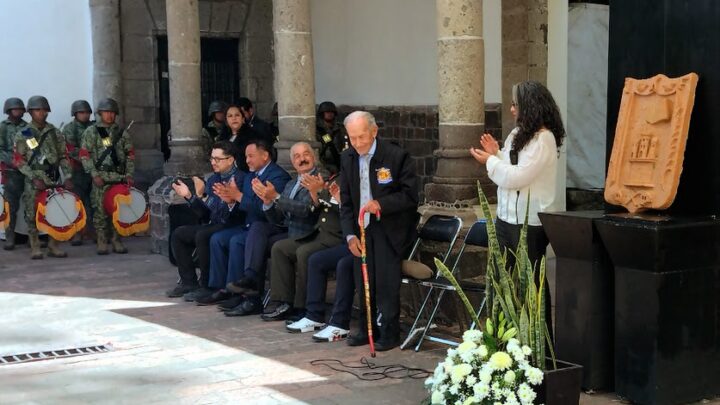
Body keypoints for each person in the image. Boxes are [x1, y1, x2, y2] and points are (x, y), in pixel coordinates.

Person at [469, 80, 566, 334]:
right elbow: (510, 168)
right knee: (503, 284)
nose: (512, 110)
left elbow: (517, 177)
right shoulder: (517, 134)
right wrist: (497, 154)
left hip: (529, 224)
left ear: (530, 106)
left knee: (530, 288)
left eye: (516, 105)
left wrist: (490, 161)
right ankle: (505, 343)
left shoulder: (544, 139)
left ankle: (538, 348)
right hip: (505, 220)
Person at [339, 111, 419, 351]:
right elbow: (346, 201)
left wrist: (381, 204)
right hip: (361, 228)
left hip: (389, 228)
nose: (357, 143)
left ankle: (389, 331)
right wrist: (349, 235)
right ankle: (366, 329)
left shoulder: (396, 156)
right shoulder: (348, 157)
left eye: (362, 137)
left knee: (385, 282)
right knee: (363, 279)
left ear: (374, 132)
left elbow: (410, 196)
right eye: (352, 138)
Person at [200, 139, 290, 308]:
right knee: (218, 238)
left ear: (265, 156)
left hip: (269, 226)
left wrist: (238, 197)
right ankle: (221, 288)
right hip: (250, 224)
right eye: (246, 156)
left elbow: (265, 210)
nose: (247, 160)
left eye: (251, 156)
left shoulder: (278, 176)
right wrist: (230, 201)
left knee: (237, 241)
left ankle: (238, 293)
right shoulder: (250, 176)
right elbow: (244, 208)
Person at [252, 142, 325, 321]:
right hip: (294, 234)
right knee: (277, 247)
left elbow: (306, 210)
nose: (302, 159)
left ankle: (303, 308)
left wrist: (276, 197)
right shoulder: (291, 183)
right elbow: (278, 219)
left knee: (292, 250)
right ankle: (283, 302)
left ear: (313, 157)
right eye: (297, 156)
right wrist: (268, 202)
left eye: (306, 154)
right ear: (292, 162)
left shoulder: (321, 179)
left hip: (313, 234)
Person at [165, 141, 245, 298]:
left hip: (233, 224)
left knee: (203, 235)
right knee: (179, 234)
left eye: (218, 159)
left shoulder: (240, 179)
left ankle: (208, 285)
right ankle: (189, 282)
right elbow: (205, 214)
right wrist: (189, 196)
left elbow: (225, 211)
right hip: (215, 223)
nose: (213, 162)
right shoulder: (213, 179)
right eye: (212, 159)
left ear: (230, 159)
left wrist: (202, 196)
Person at [283, 180, 355, 341]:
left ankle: (340, 323)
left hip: (366, 240)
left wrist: (337, 199)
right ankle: (314, 316)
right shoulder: (343, 179)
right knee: (316, 260)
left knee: (345, 264)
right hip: (350, 239)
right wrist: (336, 198)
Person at [14, 95, 74, 259]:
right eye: (37, 110)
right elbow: (19, 161)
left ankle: (53, 245)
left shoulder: (54, 132)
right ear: (30, 112)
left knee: (56, 212)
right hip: (34, 180)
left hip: (53, 178)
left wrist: (67, 176)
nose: (41, 113)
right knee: (31, 213)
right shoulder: (25, 133)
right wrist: (33, 177)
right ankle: (35, 246)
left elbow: (63, 156)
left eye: (43, 109)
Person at [79, 98, 135, 255]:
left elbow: (130, 155)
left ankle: (116, 239)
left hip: (119, 177)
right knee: (100, 211)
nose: (109, 115)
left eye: (112, 112)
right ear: (100, 113)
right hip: (101, 178)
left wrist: (129, 174)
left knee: (118, 211)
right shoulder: (91, 132)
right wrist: (94, 174)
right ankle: (102, 240)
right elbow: (84, 155)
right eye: (106, 112)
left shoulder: (121, 133)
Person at [62, 100, 94, 246]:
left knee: (93, 203)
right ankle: (76, 233)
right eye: (82, 112)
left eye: (87, 112)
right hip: (77, 170)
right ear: (75, 114)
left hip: (94, 170)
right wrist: (87, 157)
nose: (85, 115)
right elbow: (70, 149)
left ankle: (92, 232)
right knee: (76, 203)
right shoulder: (70, 128)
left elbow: (104, 144)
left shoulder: (95, 127)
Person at [0, 97, 28, 250]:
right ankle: (10, 236)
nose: (18, 111)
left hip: (26, 170)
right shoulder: (3, 127)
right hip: (11, 171)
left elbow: (33, 145)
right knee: (11, 205)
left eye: (20, 109)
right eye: (14, 109)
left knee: (30, 204)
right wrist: (12, 162)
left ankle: (33, 236)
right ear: (9, 111)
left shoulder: (27, 127)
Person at [217, 104, 261, 172]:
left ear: (243, 119)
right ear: (226, 121)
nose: (234, 118)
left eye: (237, 115)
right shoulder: (222, 138)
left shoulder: (252, 136)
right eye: (230, 116)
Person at [315, 101, 348, 174]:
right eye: (327, 112)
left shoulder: (340, 129)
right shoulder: (319, 130)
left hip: (338, 162)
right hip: (323, 163)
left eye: (332, 112)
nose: (330, 114)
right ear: (322, 113)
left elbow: (345, 144)